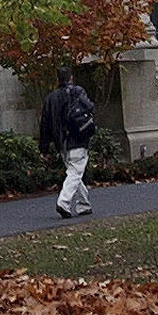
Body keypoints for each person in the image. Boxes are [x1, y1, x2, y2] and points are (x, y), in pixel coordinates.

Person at [38, 67, 95, 219]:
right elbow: (90, 107)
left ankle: (84, 203)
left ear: (57, 79)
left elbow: (44, 124)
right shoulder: (78, 92)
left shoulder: (51, 98)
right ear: (71, 78)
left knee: (74, 172)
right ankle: (64, 202)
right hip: (79, 137)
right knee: (75, 172)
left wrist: (44, 148)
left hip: (61, 141)